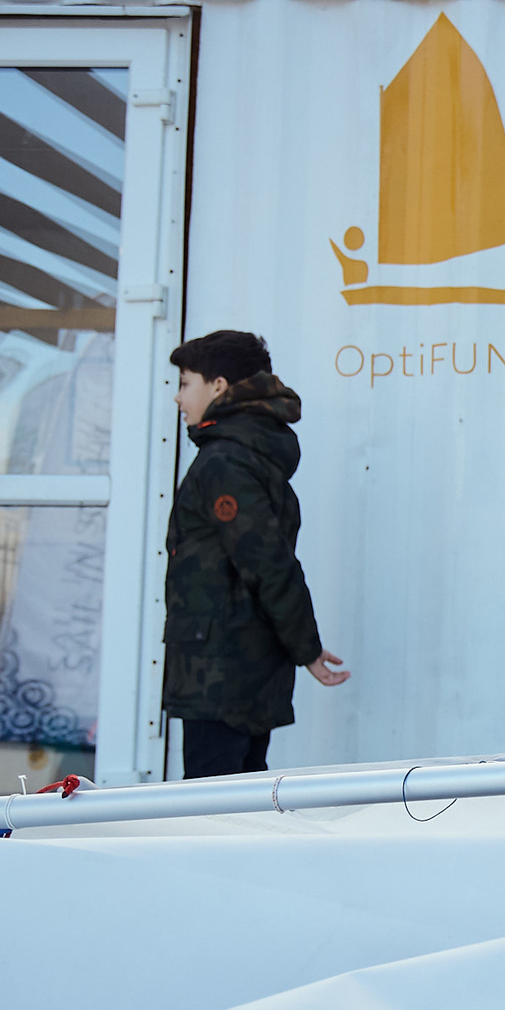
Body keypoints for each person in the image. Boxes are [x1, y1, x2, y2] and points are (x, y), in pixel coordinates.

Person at [163, 330, 347, 779]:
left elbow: (267, 562)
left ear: (219, 386)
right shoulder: (248, 452)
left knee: (210, 812)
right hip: (241, 666)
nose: (178, 397)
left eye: (186, 383)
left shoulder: (226, 461)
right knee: (238, 807)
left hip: (220, 674)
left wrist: (307, 649)